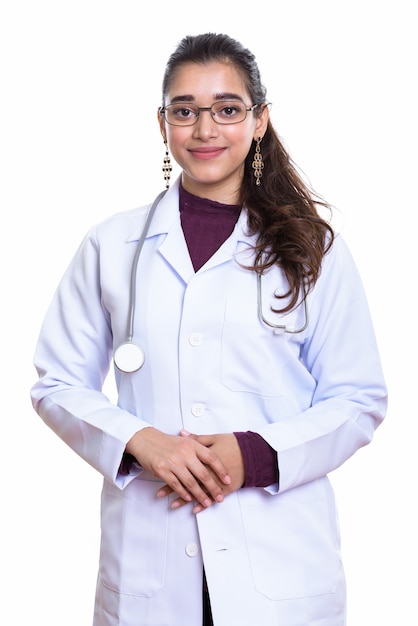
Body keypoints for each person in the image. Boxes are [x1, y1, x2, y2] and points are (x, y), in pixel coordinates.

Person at [31, 32, 387, 626]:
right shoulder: (110, 245)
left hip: (279, 563)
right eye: (185, 110)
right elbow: (56, 383)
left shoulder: (314, 248)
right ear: (163, 123)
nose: (204, 130)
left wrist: (256, 455)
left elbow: (359, 397)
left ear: (260, 121)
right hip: (150, 561)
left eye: (226, 109)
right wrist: (141, 442)